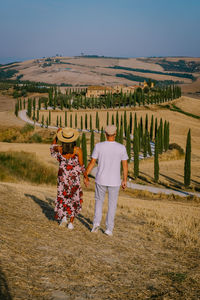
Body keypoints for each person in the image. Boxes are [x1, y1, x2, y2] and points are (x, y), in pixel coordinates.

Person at [84, 125, 128, 236]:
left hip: (101, 179)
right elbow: (125, 165)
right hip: (115, 181)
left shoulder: (99, 146)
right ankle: (109, 229)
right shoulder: (121, 147)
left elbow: (92, 162)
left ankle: (96, 225)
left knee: (99, 202)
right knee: (112, 205)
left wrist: (86, 175)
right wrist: (124, 180)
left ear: (105, 134)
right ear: (116, 133)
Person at [50, 127, 85, 229]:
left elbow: (52, 147)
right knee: (74, 199)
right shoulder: (78, 150)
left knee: (63, 197)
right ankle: (71, 223)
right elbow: (82, 166)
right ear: (73, 139)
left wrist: (57, 135)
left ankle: (64, 217)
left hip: (62, 179)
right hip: (74, 180)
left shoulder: (59, 149)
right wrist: (86, 177)